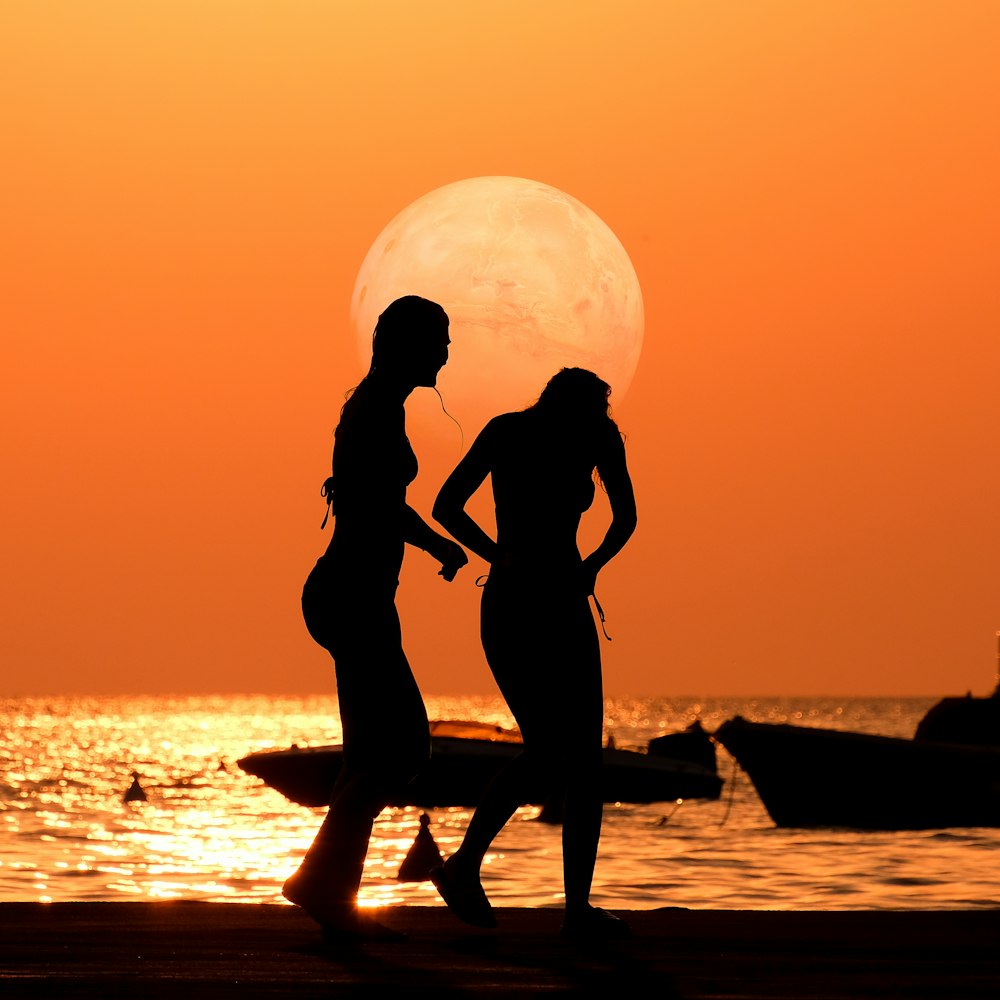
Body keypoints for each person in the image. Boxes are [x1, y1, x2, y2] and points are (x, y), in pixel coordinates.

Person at [283, 295, 468, 940]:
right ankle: (318, 882)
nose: (446, 352)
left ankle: (332, 892)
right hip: (351, 595)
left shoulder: (380, 407)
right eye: (438, 340)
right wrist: (441, 545)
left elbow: (381, 504)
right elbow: (376, 507)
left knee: (370, 753)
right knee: (404, 747)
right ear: (406, 344)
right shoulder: (374, 412)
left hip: (359, 595)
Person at [430, 367, 637, 939]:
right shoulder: (508, 431)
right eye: (595, 408)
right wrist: (500, 557)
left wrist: (590, 567)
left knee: (582, 762)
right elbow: (446, 505)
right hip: (517, 604)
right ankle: (464, 868)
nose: (602, 418)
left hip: (563, 601)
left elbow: (628, 517)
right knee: (549, 751)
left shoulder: (596, 437)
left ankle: (575, 910)